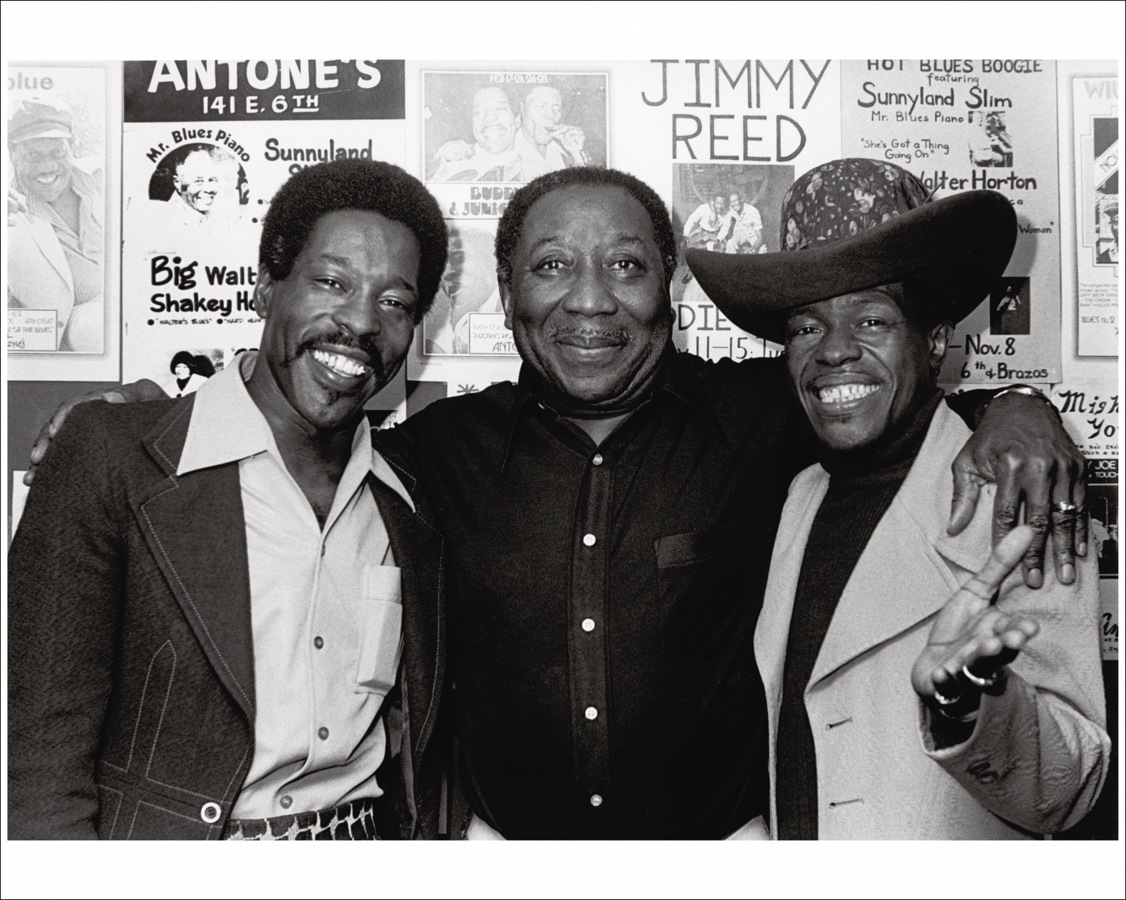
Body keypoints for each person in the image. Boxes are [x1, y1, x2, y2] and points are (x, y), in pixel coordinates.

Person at [25, 167, 1087, 840]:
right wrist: (135, 420)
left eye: (626, 264)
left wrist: (1018, 408)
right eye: (551, 265)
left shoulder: (764, 415)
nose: (590, 298)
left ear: (668, 287)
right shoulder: (429, 454)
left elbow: (874, 394)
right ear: (507, 295)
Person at [8, 159, 451, 840]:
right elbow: (36, 760)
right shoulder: (114, 457)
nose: (361, 320)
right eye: (331, 281)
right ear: (265, 287)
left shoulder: (411, 499)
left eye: (394, 302)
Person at [688, 157, 1109, 839]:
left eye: (873, 321)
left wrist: (971, 708)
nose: (834, 351)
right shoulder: (798, 495)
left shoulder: (1024, 497)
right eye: (806, 326)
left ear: (936, 337)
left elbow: (1073, 786)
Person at [7, 96, 104, 352]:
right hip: (78, 324)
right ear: (11, 154)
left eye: (57, 152)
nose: (47, 167)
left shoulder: (103, 178)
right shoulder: (9, 210)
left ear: (72, 147)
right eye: (32, 156)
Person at [431, 86, 523, 182]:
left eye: (500, 109)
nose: (490, 118)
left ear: (517, 120)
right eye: (479, 112)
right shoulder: (451, 166)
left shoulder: (532, 170)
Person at [513, 85, 588, 180]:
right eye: (541, 106)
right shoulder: (507, 150)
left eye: (556, 107)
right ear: (522, 108)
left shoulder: (566, 151)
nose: (551, 114)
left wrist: (577, 156)